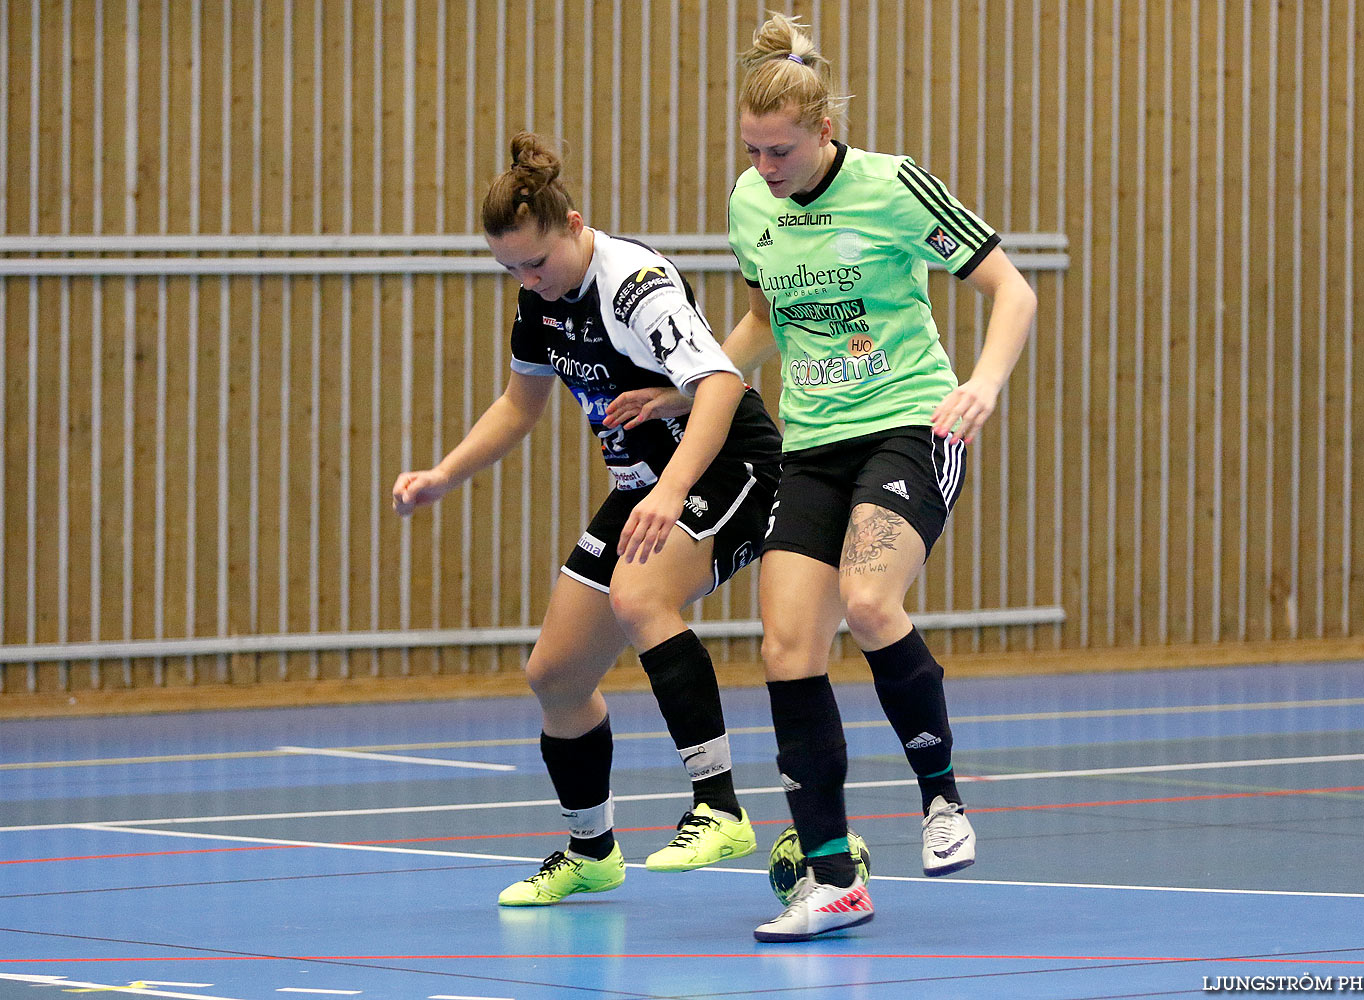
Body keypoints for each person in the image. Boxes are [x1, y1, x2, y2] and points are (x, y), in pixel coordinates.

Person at [614, 13, 1037, 942]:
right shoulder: (749, 204)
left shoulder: (892, 189)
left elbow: (1014, 288)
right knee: (787, 649)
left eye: (782, 150)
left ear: (825, 132)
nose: (766, 166)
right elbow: (764, 318)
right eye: (753, 150)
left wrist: (982, 385)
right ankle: (834, 877)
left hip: (911, 425)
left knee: (872, 602)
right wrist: (693, 390)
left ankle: (942, 797)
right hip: (811, 444)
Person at [392, 132, 782, 907]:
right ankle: (591, 848)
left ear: (574, 224)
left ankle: (720, 806)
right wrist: (444, 472)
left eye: (536, 262)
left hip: (727, 464)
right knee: (556, 673)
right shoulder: (539, 302)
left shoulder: (635, 285)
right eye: (510, 269)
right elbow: (518, 405)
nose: (527, 281)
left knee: (641, 596)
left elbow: (716, 388)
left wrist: (670, 492)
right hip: (644, 482)